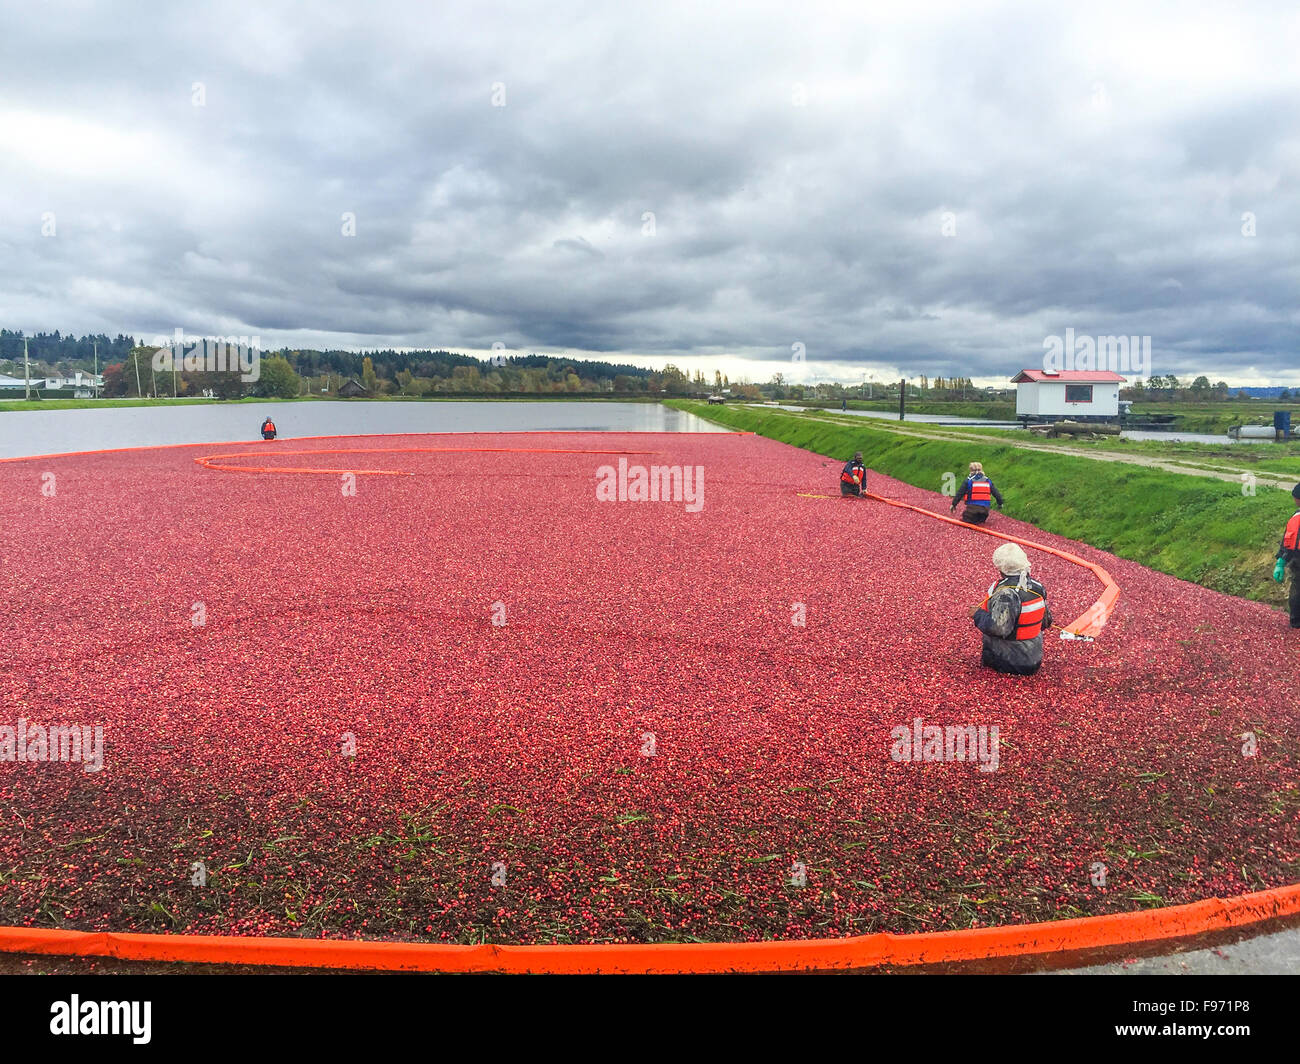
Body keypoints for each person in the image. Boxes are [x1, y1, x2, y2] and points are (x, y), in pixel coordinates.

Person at [972, 543, 1053, 675]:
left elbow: (998, 628)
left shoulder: (1006, 593)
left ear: (1001, 568)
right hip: (1033, 658)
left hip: (1010, 661)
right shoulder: (1038, 587)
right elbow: (1046, 622)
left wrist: (977, 614)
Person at [1279, 482, 1300, 629]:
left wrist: (1281, 559)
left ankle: (1296, 621)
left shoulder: (1296, 517)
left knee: (1297, 590)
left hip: (1297, 558)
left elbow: (1288, 542)